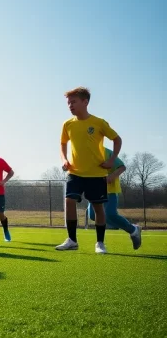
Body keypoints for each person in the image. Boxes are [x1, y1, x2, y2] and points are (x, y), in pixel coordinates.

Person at [56, 87, 125, 254]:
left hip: (96, 174)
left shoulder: (99, 122)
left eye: (73, 102)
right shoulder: (68, 124)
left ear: (85, 102)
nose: (70, 106)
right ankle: (72, 240)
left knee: (98, 209)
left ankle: (100, 243)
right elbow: (63, 143)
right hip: (75, 173)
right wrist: (64, 159)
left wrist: (111, 160)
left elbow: (117, 139)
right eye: (68, 103)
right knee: (69, 201)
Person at [86, 148, 142, 250]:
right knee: (92, 215)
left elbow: (122, 167)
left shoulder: (105, 152)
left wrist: (112, 176)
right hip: (93, 189)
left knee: (110, 214)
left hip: (109, 190)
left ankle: (133, 230)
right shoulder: (82, 153)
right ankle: (129, 227)